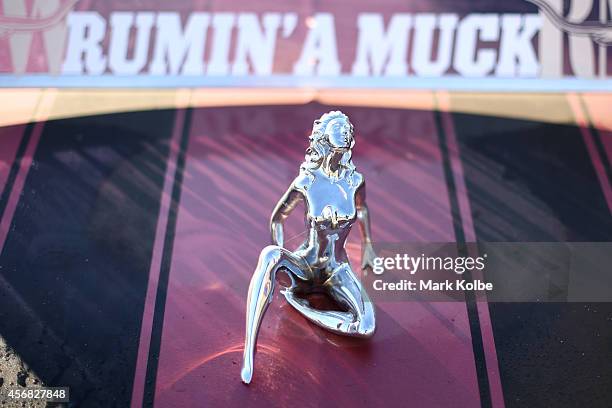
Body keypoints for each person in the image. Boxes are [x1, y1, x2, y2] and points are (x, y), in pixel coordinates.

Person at [241, 111, 376, 384]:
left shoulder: (355, 181)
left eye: (349, 129)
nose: (346, 133)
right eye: (339, 129)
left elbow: (361, 211)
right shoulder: (308, 181)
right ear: (324, 136)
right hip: (305, 266)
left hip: (337, 269)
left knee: (366, 327)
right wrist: (279, 253)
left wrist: (369, 247)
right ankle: (248, 355)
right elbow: (277, 218)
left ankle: (303, 307)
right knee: (269, 255)